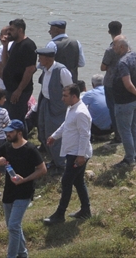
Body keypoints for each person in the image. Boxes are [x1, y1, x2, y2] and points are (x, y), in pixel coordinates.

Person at [0, 119, 46, 258]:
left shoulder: (30, 149)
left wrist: (24, 179)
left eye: (10, 132)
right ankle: (23, 254)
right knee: (13, 227)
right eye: (6, 132)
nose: (7, 134)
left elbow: (42, 169)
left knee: (13, 226)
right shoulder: (7, 147)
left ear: (19, 133)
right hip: (9, 191)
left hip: (24, 192)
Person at [43, 83, 92, 224]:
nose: (62, 98)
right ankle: (85, 210)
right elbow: (66, 125)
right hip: (73, 152)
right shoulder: (71, 108)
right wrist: (54, 136)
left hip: (78, 154)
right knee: (78, 181)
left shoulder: (81, 112)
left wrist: (81, 156)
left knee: (66, 181)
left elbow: (85, 135)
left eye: (65, 96)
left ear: (74, 96)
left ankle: (59, 214)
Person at [33, 45, 72, 171]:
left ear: (48, 59)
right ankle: (54, 160)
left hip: (57, 107)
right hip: (46, 103)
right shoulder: (45, 69)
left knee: (55, 135)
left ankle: (61, 164)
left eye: (41, 58)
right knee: (43, 132)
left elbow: (70, 90)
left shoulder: (61, 71)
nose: (39, 61)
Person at [110, 37, 136, 166]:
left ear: (121, 47)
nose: (112, 47)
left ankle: (129, 159)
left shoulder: (123, 62)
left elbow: (127, 83)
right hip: (135, 100)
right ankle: (135, 156)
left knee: (125, 130)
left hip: (124, 102)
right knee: (133, 128)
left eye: (114, 45)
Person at [0, 19, 38, 121]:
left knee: (16, 119)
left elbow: (30, 69)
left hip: (21, 91)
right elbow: (5, 63)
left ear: (20, 30)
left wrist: (19, 90)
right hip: (11, 89)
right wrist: (5, 46)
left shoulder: (28, 45)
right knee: (11, 118)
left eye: (11, 30)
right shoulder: (15, 44)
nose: (8, 32)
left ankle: (21, 136)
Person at [99, 20, 123, 142]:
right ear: (121, 30)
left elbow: (103, 67)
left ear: (109, 32)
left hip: (111, 82)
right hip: (124, 81)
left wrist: (111, 67)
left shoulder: (110, 49)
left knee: (113, 109)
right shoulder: (126, 47)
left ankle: (118, 135)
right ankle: (124, 133)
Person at [81, 74, 112, 140]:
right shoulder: (111, 91)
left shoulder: (89, 94)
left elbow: (78, 107)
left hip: (97, 130)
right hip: (112, 128)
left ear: (92, 84)